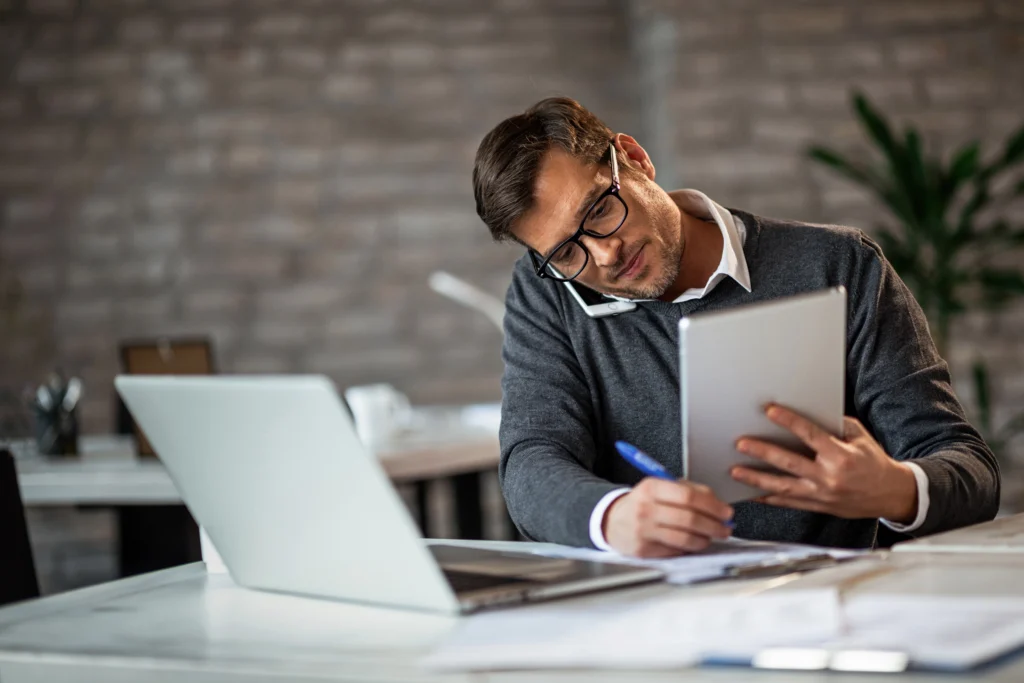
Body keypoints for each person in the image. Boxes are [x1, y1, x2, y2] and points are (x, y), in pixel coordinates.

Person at [472, 97, 999, 558]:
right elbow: (531, 462)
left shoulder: (838, 264)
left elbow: (970, 470)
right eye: (567, 252)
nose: (605, 254)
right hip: (659, 610)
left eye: (601, 210)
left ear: (634, 158)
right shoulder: (549, 293)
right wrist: (612, 517)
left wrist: (896, 489)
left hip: (830, 600)